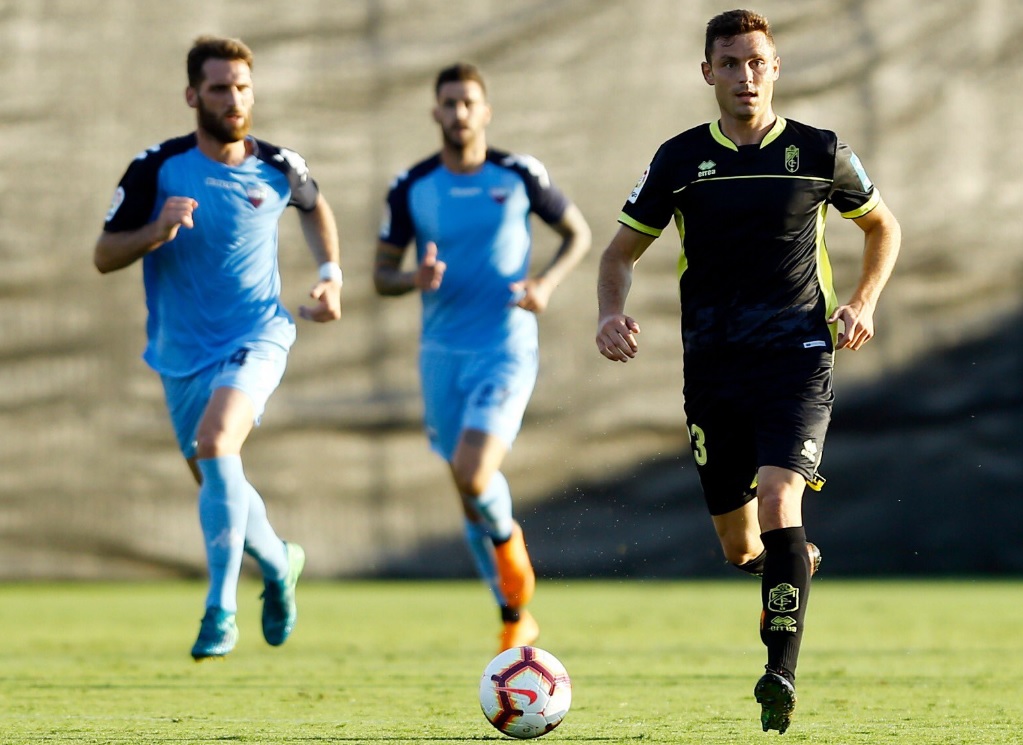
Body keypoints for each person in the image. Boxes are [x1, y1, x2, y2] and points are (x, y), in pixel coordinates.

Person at [595, 9, 900, 734]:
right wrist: (610, 313)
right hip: (712, 367)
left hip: (796, 357)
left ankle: (778, 673)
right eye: (728, 64)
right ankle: (788, 562)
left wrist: (861, 300)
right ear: (707, 73)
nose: (745, 77)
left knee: (777, 497)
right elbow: (617, 255)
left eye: (756, 62)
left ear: (776, 67)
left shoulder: (821, 150)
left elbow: (882, 225)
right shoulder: (677, 160)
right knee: (743, 546)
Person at [93, 36, 343, 660]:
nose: (234, 100)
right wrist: (156, 230)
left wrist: (331, 273)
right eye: (219, 89)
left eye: (242, 87)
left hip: (258, 334)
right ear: (191, 96)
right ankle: (280, 562)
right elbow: (103, 255)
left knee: (216, 444)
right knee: (216, 475)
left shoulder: (280, 164)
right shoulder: (157, 167)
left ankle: (219, 609)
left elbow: (315, 208)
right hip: (179, 355)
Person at [373, 63, 591, 652]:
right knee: (468, 491)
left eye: (469, 102)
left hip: (505, 347)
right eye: (449, 102)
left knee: (473, 472)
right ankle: (513, 610)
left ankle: (513, 565)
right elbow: (380, 276)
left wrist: (544, 284)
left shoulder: (519, 174)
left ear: (485, 111)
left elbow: (578, 234)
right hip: (442, 355)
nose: (460, 112)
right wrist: (412, 277)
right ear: (435, 112)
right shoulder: (411, 184)